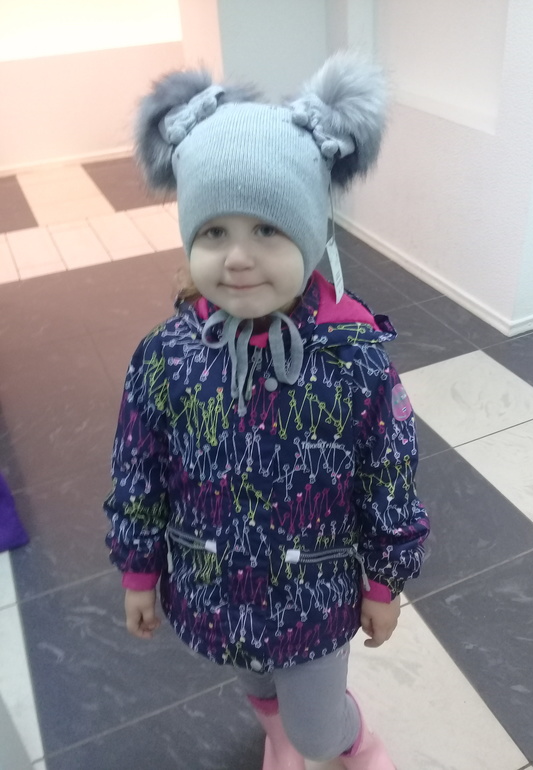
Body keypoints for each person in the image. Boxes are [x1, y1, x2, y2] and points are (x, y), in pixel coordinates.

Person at [104, 51, 429, 769]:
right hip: (215, 586)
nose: (238, 258)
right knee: (254, 681)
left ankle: (348, 741)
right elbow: (138, 472)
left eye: (267, 231)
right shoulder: (166, 357)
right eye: (214, 232)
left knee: (317, 725)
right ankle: (278, 731)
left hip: (312, 593)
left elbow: (390, 477)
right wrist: (138, 570)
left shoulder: (353, 359)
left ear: (309, 234)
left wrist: (385, 580)